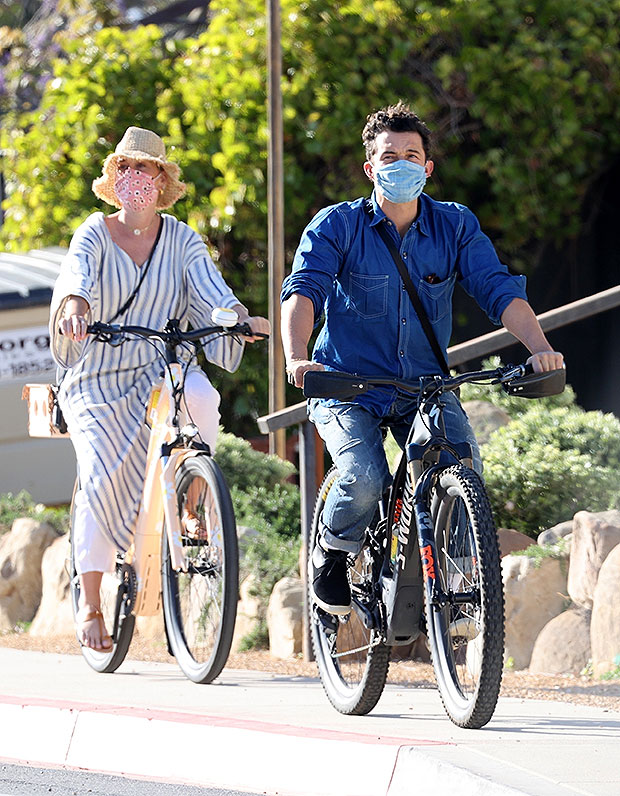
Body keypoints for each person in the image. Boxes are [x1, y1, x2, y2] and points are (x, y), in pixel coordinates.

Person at [281, 101, 563, 616]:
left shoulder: (454, 225)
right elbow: (303, 292)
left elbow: (498, 290)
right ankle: (332, 550)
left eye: (412, 154)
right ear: (371, 168)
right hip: (348, 387)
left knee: (462, 465)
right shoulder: (337, 226)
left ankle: (457, 589)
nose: (402, 164)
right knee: (365, 475)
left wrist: (540, 348)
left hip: (425, 385)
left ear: (428, 167)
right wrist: (297, 358)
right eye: (390, 157)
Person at [50, 126, 270, 650]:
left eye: (142, 168)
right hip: (97, 375)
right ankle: (92, 601)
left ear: (162, 178)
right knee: (102, 470)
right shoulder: (94, 232)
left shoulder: (183, 240)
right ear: (113, 178)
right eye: (123, 168)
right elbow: (76, 275)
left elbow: (213, 291)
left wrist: (237, 318)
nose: (132, 177)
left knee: (200, 397)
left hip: (157, 366)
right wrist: (77, 307)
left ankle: (192, 499)